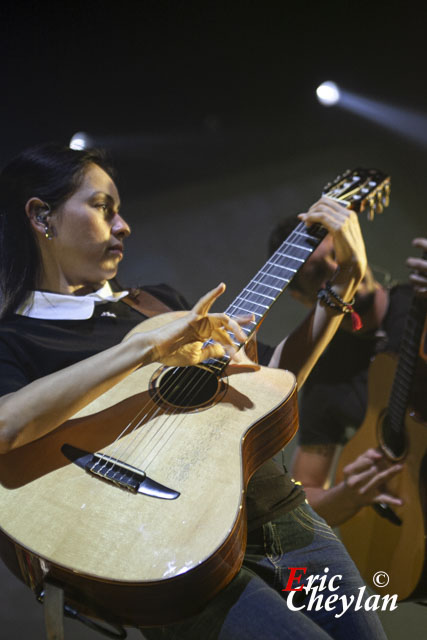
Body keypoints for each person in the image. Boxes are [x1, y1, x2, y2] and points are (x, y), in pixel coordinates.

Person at [0, 144, 387, 640]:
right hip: (171, 555)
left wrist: (344, 286)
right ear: (41, 215)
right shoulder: (16, 339)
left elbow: (270, 380)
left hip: (286, 522)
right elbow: (7, 425)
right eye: (103, 208)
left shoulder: (155, 303)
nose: (123, 226)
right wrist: (141, 349)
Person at [269, 216, 427, 527]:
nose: (336, 270)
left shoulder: (420, 303)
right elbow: (304, 493)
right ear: (301, 297)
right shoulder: (323, 377)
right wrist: (347, 494)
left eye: (338, 255)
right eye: (317, 272)